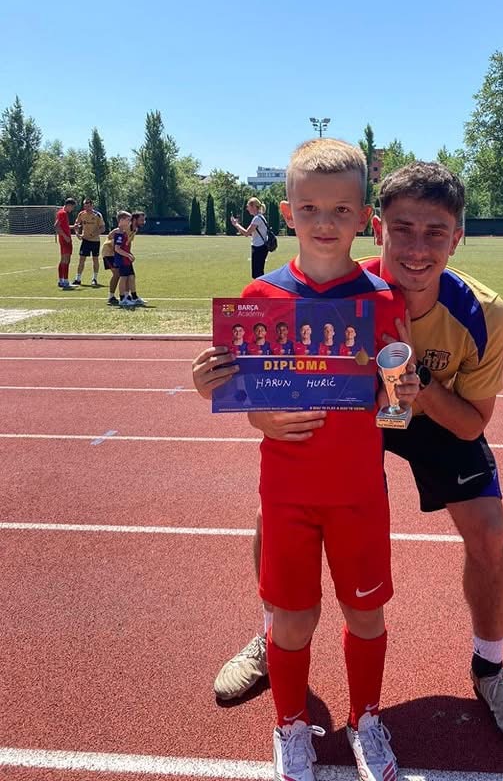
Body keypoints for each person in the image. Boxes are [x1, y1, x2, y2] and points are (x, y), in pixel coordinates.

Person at [198, 161, 503, 749]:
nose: (417, 249)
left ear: (457, 238)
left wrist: (414, 388)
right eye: (402, 229)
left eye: (435, 233)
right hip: (351, 410)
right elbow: (268, 383)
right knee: (277, 510)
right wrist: (255, 410)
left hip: (433, 412)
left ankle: (489, 668)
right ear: (376, 227)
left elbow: (472, 424)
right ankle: (273, 631)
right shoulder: (343, 285)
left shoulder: (483, 312)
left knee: (489, 533)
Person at [194, 137, 419, 781]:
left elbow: (394, 414)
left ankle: (366, 718)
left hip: (358, 492)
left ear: (364, 218)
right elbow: (244, 395)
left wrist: (399, 394)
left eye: (342, 209)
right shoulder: (258, 296)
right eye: (311, 208)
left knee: (365, 613)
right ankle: (290, 725)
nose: (326, 222)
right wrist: (216, 389)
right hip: (287, 493)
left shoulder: (384, 301)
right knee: (292, 620)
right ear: (287, 212)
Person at [105, 211, 147, 307]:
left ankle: (129, 296)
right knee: (118, 275)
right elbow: (112, 238)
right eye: (141, 220)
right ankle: (113, 297)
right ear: (134, 220)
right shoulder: (122, 229)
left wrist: (128, 253)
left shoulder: (134, 229)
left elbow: (128, 242)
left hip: (122, 253)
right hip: (110, 252)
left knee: (129, 275)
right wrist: (125, 253)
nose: (143, 222)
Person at [231, 198, 271, 278]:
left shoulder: (257, 219)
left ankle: (261, 286)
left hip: (259, 247)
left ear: (253, 207)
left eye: (248, 206)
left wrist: (236, 224)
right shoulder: (260, 217)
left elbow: (246, 233)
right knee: (258, 273)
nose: (247, 209)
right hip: (261, 247)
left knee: (257, 274)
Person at [71, 197, 105, 286]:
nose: (87, 208)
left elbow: (103, 228)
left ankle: (94, 279)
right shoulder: (81, 214)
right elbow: (76, 225)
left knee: (95, 259)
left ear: (92, 206)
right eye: (85, 206)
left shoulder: (97, 215)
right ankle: (78, 279)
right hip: (85, 241)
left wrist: (93, 234)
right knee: (81, 259)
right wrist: (77, 234)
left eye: (88, 206)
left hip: (95, 241)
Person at [113, 211, 136, 308]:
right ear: (121, 220)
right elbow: (117, 249)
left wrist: (129, 254)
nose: (129, 222)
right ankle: (122, 299)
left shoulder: (124, 232)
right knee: (123, 278)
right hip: (122, 259)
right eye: (128, 220)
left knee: (130, 277)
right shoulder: (119, 233)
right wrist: (128, 255)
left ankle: (130, 297)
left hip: (126, 259)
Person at [54, 197, 76, 289]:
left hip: (64, 240)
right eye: (72, 207)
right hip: (65, 240)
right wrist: (65, 236)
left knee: (63, 260)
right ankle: (66, 281)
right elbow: (56, 226)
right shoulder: (63, 213)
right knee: (66, 260)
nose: (72, 209)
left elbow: (64, 226)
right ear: (69, 205)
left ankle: (61, 280)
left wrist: (73, 227)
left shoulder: (61, 212)